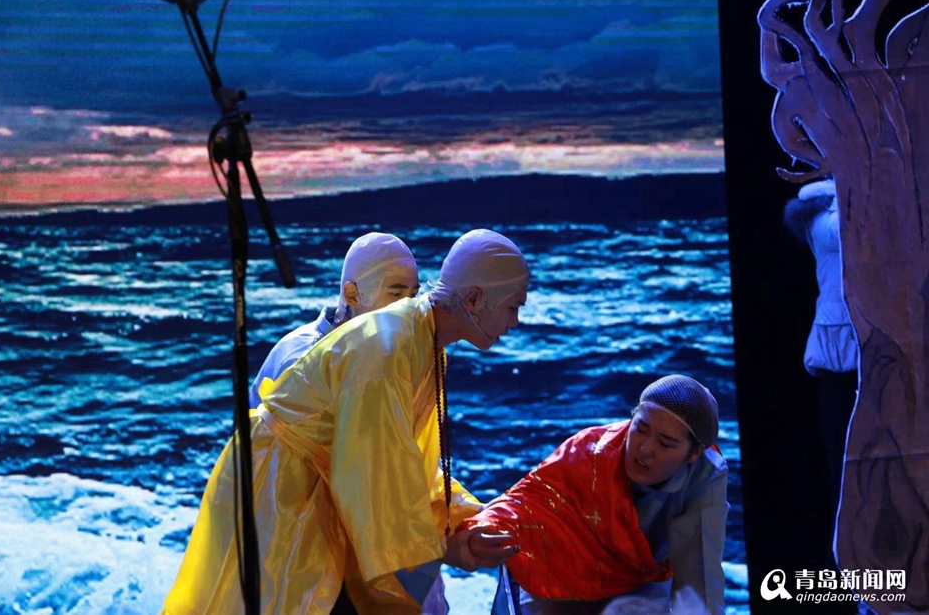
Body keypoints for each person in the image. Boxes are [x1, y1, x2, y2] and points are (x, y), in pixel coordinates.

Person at [163, 229, 531, 615]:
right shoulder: (389, 348)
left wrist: (468, 518)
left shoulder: (424, 346)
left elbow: (408, 464)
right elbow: (371, 480)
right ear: (473, 300)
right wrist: (445, 549)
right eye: (512, 307)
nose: (516, 321)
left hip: (321, 488)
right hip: (284, 492)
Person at [464, 375, 728, 615]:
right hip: (560, 568)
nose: (645, 449)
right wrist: (482, 529)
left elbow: (700, 578)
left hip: (638, 579)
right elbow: (526, 500)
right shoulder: (590, 450)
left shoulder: (706, 475)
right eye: (640, 429)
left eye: (665, 443)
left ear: (695, 452)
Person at [248, 232, 421, 408]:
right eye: (396, 294)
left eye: (413, 295)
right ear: (352, 295)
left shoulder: (381, 352)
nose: (410, 308)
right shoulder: (301, 365)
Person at [783, 178, 859, 568]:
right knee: (845, 466)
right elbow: (847, 228)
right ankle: (848, 565)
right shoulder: (821, 206)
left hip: (871, 346)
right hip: (842, 353)